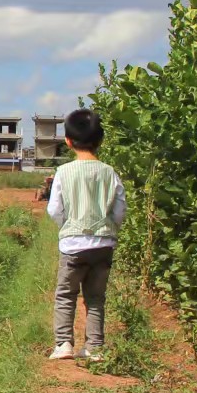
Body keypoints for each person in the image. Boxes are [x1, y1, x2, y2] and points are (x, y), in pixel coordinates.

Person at [45, 109, 126, 362]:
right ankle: (95, 347)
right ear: (100, 140)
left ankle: (64, 344)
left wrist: (66, 227)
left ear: (68, 141)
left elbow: (54, 209)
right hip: (103, 244)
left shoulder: (64, 172)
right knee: (95, 298)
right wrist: (110, 229)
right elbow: (120, 209)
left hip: (72, 245)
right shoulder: (109, 172)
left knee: (65, 295)